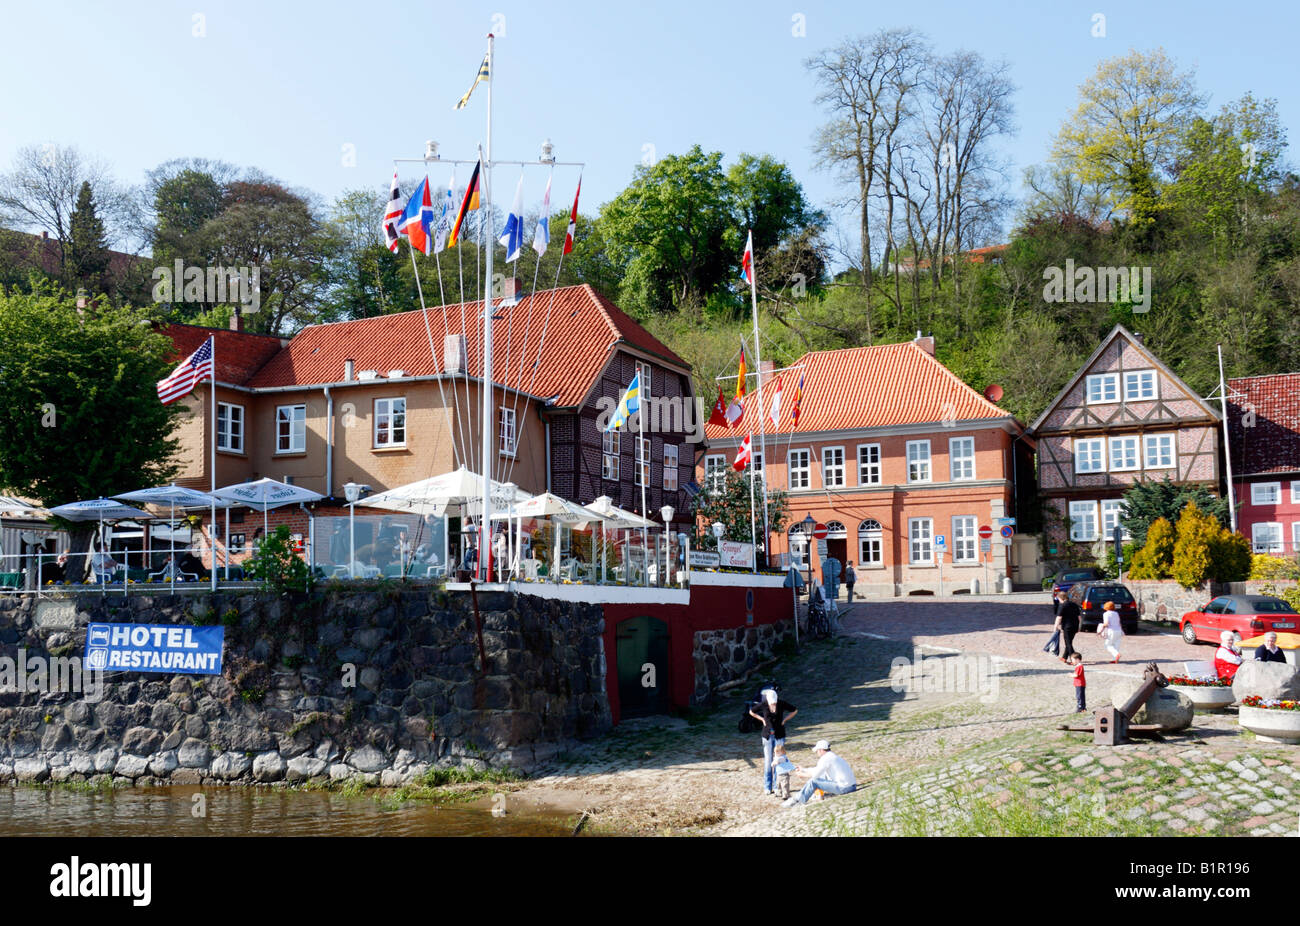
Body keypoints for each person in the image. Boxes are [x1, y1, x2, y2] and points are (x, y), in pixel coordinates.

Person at [747, 688, 798, 796]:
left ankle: (776, 786)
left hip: (779, 735)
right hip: (767, 736)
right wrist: (762, 719)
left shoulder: (781, 703)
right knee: (768, 761)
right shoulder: (764, 704)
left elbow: (794, 710)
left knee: (778, 760)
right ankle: (767, 786)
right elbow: (751, 711)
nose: (773, 704)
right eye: (772, 702)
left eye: (774, 702)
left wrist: (785, 720)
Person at [784, 740, 857, 807]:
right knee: (821, 775)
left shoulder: (825, 759)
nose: (817, 753)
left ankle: (798, 800)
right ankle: (814, 795)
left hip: (844, 788)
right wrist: (803, 769)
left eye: (817, 751)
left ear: (821, 750)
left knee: (814, 781)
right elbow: (817, 770)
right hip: (851, 786)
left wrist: (802, 775)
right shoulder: (832, 756)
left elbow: (815, 776)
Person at [1058, 596, 1082, 663]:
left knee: (1068, 643)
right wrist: (1079, 627)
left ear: (1061, 598)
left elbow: (1059, 617)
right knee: (1069, 642)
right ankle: (1064, 657)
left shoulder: (1063, 605)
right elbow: (1079, 617)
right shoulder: (1074, 605)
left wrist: (1056, 626)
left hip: (1067, 627)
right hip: (1075, 626)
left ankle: (1075, 659)